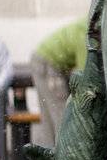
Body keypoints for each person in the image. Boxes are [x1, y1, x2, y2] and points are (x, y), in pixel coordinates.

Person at [30, 16, 87, 149]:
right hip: (49, 66)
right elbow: (84, 75)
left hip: (41, 61)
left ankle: (52, 155)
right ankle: (66, 156)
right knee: (62, 112)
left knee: (50, 114)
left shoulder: (85, 25)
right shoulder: (85, 34)